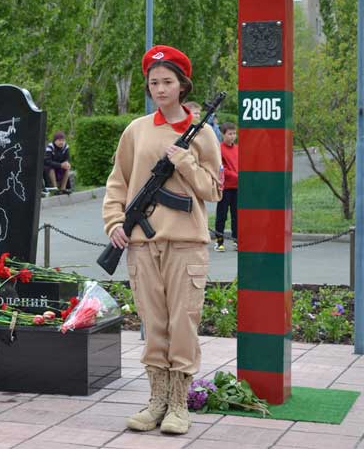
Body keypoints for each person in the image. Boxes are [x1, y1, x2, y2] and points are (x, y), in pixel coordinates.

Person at [102, 45, 221, 435]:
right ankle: (155, 401)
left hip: (186, 244)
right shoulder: (136, 130)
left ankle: (178, 405)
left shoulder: (202, 134)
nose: (160, 88)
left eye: (167, 81)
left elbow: (213, 190)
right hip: (140, 244)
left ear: (182, 85)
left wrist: (184, 161)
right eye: (154, 82)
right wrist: (115, 222)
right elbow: (117, 182)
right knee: (154, 324)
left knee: (182, 324)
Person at [214, 122, 238, 252]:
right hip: (225, 187)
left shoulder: (238, 149)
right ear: (223, 134)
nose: (232, 136)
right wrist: (235, 175)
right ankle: (219, 241)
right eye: (229, 134)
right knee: (222, 215)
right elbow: (221, 168)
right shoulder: (219, 149)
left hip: (237, 187)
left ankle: (237, 240)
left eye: (234, 133)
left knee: (237, 215)